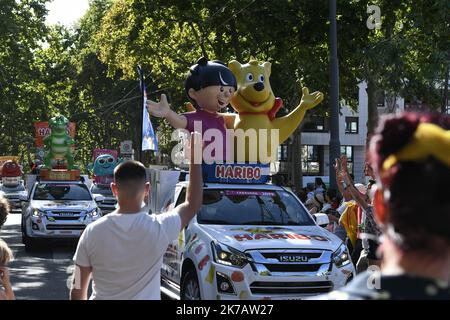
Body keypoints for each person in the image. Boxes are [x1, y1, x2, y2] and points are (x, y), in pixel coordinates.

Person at [317, 112, 450, 300]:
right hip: (369, 242)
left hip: (373, 244)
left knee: (373, 275)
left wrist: (345, 176)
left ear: (379, 206)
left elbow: (353, 195)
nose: (367, 170)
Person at [70, 133, 203, 300]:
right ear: (147, 190)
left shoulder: (91, 232)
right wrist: (195, 159)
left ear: (113, 189)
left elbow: (77, 288)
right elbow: (193, 203)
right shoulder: (159, 227)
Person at [147, 57, 237, 162]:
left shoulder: (222, 119)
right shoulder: (196, 118)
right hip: (203, 168)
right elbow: (180, 122)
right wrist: (168, 113)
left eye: (230, 90)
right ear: (193, 93)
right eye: (221, 89)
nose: (227, 94)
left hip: (226, 169)